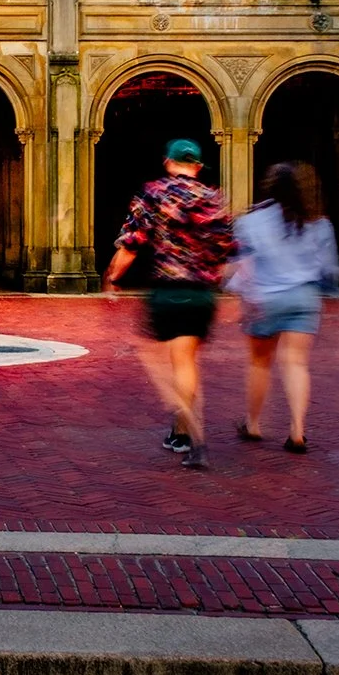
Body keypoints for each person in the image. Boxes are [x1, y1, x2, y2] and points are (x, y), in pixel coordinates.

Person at [103, 138, 236, 467]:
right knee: (187, 363)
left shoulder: (154, 193)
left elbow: (132, 243)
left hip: (169, 290)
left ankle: (196, 438)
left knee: (158, 363)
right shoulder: (212, 198)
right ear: (198, 166)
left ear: (167, 161)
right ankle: (179, 432)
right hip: (202, 294)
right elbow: (226, 249)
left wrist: (113, 278)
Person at [231, 162, 339, 454]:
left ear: (270, 187)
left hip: (267, 299)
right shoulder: (319, 223)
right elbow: (329, 270)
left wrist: (246, 298)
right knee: (296, 364)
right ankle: (297, 430)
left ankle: (253, 424)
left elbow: (244, 267)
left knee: (260, 363)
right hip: (304, 298)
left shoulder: (252, 221)